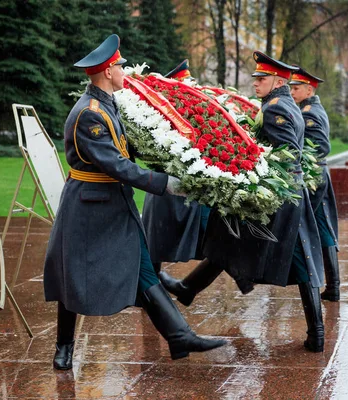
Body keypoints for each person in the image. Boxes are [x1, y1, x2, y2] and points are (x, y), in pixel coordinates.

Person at [43, 34, 225, 370]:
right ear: (109, 71)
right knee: (72, 275)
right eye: (121, 67)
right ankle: (64, 345)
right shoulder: (89, 114)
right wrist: (166, 183)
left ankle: (179, 336)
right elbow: (117, 165)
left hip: (113, 204)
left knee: (142, 268)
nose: (126, 73)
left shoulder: (108, 103)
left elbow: (126, 149)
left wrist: (171, 155)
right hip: (89, 207)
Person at [162, 51, 326, 352]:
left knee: (296, 260)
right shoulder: (282, 104)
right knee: (231, 238)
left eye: (261, 79)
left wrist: (253, 173)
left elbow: (284, 154)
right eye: (256, 78)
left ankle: (317, 333)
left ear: (278, 81)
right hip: (289, 192)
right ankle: (188, 288)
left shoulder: (276, 109)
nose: (256, 84)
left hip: (280, 195)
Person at [142, 59, 212, 278]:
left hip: (190, 186)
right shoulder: (162, 115)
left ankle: (188, 286)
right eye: (185, 86)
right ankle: (148, 288)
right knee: (156, 239)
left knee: (212, 238)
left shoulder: (195, 110)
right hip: (168, 185)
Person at [289, 67, 340, 302]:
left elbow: (320, 146)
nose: (292, 91)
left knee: (317, 225)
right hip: (320, 174)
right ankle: (334, 286)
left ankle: (331, 285)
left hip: (314, 176)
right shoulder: (312, 108)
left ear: (309, 89)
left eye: (296, 88)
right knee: (323, 226)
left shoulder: (309, 112)